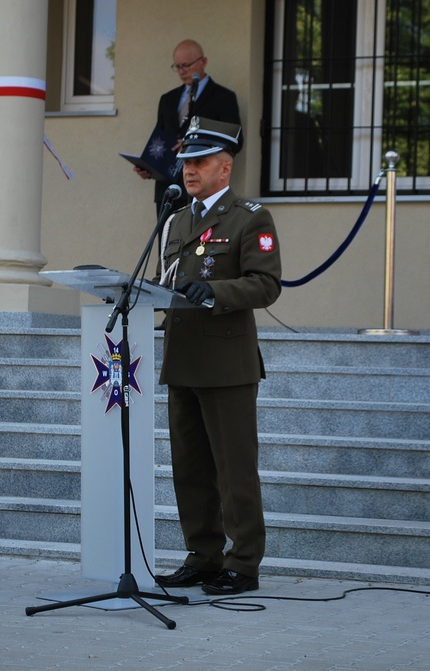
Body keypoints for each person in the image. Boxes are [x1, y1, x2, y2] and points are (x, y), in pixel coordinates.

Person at [154, 117, 281, 596]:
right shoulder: (177, 217)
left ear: (224, 168)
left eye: (200, 161)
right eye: (186, 160)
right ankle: (203, 555)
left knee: (234, 470)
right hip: (183, 357)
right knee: (190, 468)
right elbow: (167, 281)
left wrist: (210, 290)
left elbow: (266, 285)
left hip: (227, 364)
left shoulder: (250, 217)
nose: (189, 169)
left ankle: (243, 562)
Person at [135, 39, 243, 207]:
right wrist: (149, 167)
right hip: (169, 188)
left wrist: (194, 144)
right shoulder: (168, 99)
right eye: (177, 66)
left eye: (186, 65)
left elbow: (235, 141)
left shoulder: (223, 97)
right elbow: (160, 139)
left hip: (204, 187)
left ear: (203, 62)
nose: (181, 71)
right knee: (168, 233)